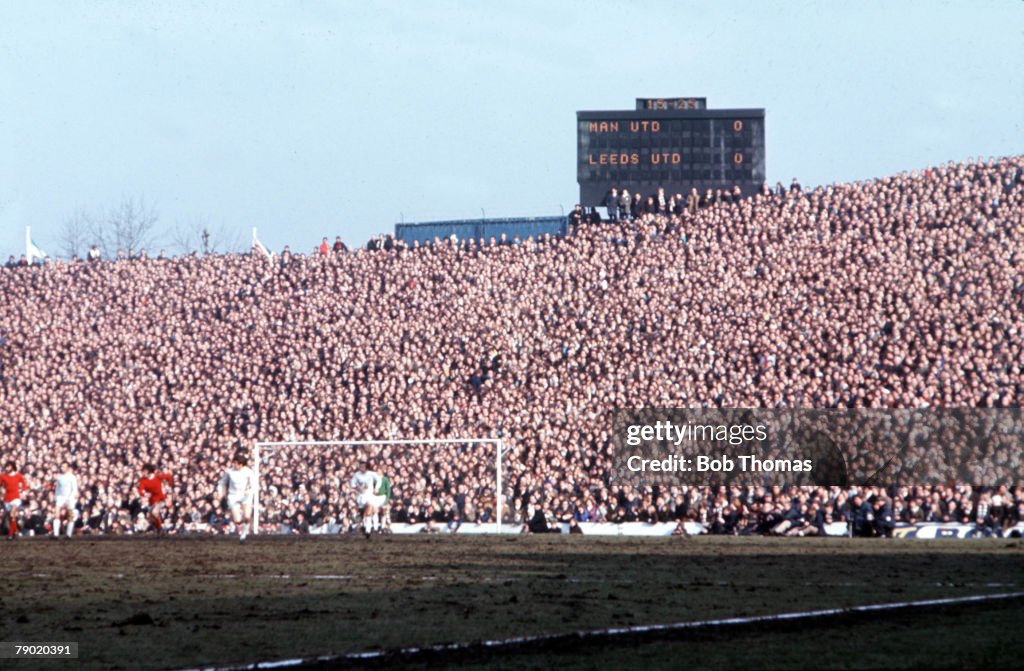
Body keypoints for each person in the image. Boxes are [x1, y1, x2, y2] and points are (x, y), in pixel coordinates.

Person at [218, 453, 257, 542]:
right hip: (233, 496)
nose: (233, 465)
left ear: (241, 464)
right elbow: (223, 483)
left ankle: (243, 535)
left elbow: (254, 485)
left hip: (245, 495)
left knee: (247, 517)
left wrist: (249, 491)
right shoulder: (229, 472)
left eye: (235, 463)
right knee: (238, 520)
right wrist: (222, 494)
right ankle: (242, 531)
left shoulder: (249, 472)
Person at [349, 459, 385, 538]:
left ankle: (369, 530)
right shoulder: (357, 475)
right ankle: (364, 526)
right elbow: (352, 483)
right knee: (363, 513)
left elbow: (379, 480)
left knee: (369, 510)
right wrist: (358, 488)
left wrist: (376, 488)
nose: (361, 468)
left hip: (369, 495)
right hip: (361, 497)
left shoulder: (371, 474)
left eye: (363, 467)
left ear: (367, 468)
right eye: (360, 467)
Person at [138, 464, 173, 534]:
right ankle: (154, 528)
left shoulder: (157, 476)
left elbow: (169, 476)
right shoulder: (143, 480)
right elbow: (140, 490)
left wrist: (169, 485)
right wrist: (144, 494)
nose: (143, 473)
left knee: (154, 512)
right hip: (152, 501)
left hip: (161, 499)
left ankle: (159, 528)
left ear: (149, 471)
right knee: (151, 517)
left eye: (144, 471)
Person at [0, 461, 28, 539]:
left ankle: (10, 534)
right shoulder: (3, 476)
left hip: (16, 498)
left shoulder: (18, 475)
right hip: (7, 499)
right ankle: (15, 531)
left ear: (12, 467)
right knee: (11, 518)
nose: (7, 468)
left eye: (8, 466)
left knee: (12, 514)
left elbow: (24, 484)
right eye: (6, 467)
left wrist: (23, 492)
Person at [53, 461, 79, 539]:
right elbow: (58, 488)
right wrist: (56, 496)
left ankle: (69, 534)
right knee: (56, 514)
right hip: (60, 497)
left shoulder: (72, 477)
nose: (62, 468)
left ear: (67, 468)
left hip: (69, 498)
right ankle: (56, 534)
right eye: (61, 466)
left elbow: (74, 489)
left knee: (70, 516)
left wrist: (70, 498)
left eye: (64, 466)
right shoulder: (59, 476)